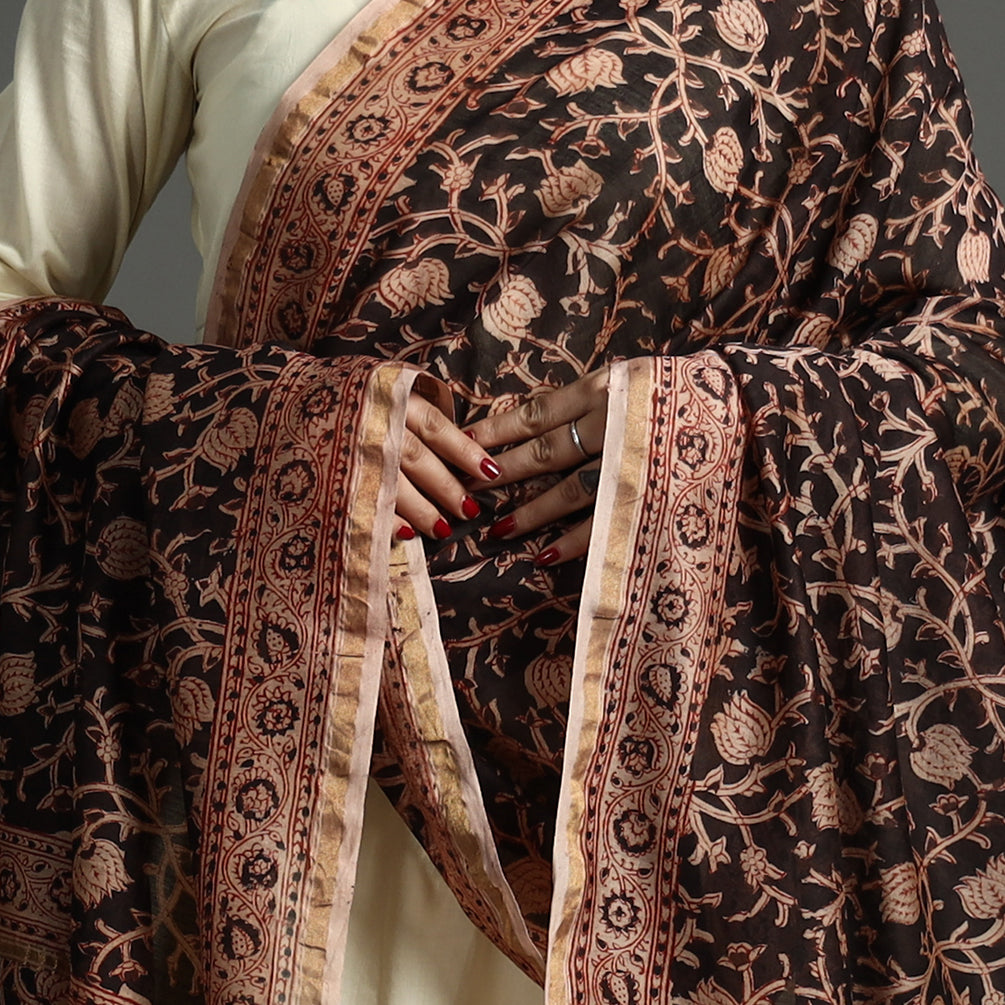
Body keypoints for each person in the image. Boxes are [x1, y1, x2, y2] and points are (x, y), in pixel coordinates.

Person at [3, 0, 1005, 1002]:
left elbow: (970, 368)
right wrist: (277, 434)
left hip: (701, 793)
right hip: (300, 797)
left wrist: (705, 431)